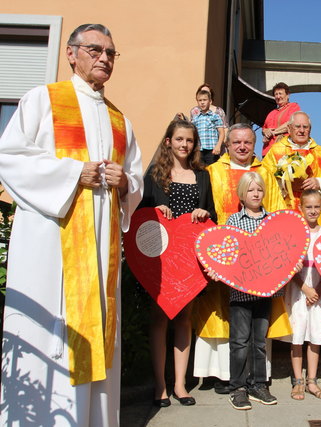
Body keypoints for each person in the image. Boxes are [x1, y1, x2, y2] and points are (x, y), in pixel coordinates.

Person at [0, 24, 143, 426]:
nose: (104, 58)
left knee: (98, 335)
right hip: (52, 246)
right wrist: (72, 174)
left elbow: (135, 178)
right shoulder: (43, 100)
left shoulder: (120, 120)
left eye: (111, 53)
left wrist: (126, 182)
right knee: (53, 334)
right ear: (70, 53)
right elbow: (10, 157)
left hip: (101, 252)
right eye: (95, 49)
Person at [192, 123, 286, 394]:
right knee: (222, 319)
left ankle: (257, 378)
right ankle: (220, 375)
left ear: (254, 144)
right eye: (236, 143)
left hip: (259, 266)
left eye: (247, 142)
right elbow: (205, 212)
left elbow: (278, 215)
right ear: (228, 145)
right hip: (222, 259)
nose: (242, 147)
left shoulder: (266, 172)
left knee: (254, 332)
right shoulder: (212, 172)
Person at [206, 172, 301, 410]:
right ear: (242, 194)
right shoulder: (233, 221)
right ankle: (237, 387)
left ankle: (259, 384)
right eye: (251, 190)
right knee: (239, 341)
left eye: (259, 189)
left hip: (265, 292)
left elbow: (283, 250)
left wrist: (293, 263)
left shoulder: (272, 221)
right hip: (240, 293)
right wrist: (218, 270)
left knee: (259, 342)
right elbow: (226, 253)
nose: (256, 194)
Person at [138, 119, 216, 407]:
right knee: (159, 318)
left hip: (191, 260)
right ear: (168, 141)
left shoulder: (202, 176)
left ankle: (181, 385)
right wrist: (153, 209)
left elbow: (213, 217)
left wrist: (203, 213)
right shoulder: (154, 176)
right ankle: (160, 386)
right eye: (180, 139)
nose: (185, 145)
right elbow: (138, 218)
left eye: (190, 140)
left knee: (184, 318)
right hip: (161, 260)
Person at [283, 189, 321, 401]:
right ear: (300, 208)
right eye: (309, 207)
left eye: (317, 206)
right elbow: (288, 265)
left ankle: (312, 381)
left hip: (319, 291)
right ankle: (297, 381)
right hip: (298, 290)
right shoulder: (295, 234)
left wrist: (318, 290)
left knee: (315, 336)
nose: (313, 211)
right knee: (297, 337)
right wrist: (304, 287)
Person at [262, 111, 321, 228]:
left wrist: (319, 182)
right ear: (289, 129)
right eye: (297, 126)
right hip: (285, 209)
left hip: (315, 213)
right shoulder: (276, 151)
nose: (302, 130)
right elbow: (265, 177)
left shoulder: (320, 152)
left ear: (310, 129)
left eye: (305, 127)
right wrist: (285, 184)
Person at [261, 82, 300, 156]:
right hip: (267, 152)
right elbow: (264, 128)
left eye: (280, 93)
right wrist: (266, 132)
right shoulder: (271, 113)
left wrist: (273, 132)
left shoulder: (293, 107)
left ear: (287, 95)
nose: (278, 96)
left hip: (284, 150)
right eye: (276, 94)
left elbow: (290, 124)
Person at [191, 89, 225, 165]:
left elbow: (221, 132)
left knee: (211, 171)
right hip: (199, 150)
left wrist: (218, 146)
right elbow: (192, 133)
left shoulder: (215, 116)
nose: (202, 102)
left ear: (210, 101)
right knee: (200, 170)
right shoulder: (195, 118)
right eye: (200, 100)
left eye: (204, 100)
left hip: (212, 150)